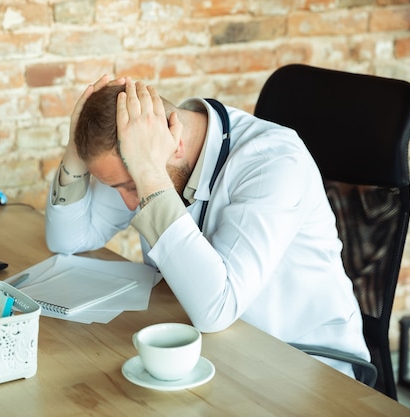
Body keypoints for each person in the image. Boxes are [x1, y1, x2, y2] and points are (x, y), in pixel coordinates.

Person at [45, 75, 371, 377]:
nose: (133, 203)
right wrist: (76, 151)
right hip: (220, 352)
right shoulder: (144, 152)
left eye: (132, 186)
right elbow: (68, 239)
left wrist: (149, 176)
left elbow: (217, 309)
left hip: (306, 366)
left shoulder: (274, 161)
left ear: (177, 144)